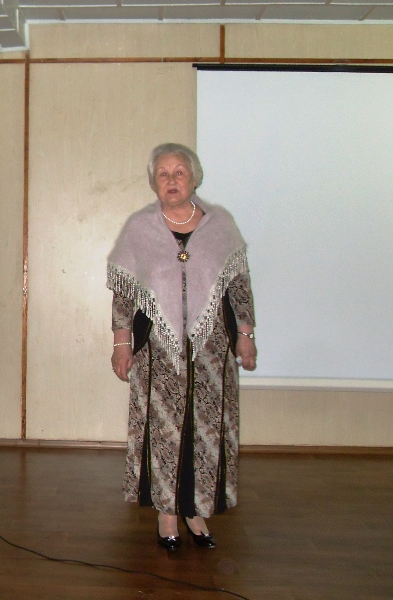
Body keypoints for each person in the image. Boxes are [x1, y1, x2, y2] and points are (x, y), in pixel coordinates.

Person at [106, 144, 257, 550]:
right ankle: (167, 512)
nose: (171, 180)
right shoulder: (139, 228)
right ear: (153, 182)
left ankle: (196, 510)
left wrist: (245, 336)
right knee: (163, 431)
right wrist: (122, 344)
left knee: (206, 430)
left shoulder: (221, 225)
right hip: (157, 351)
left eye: (179, 173)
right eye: (163, 174)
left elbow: (239, 287)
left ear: (194, 178)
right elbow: (124, 294)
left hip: (213, 350)